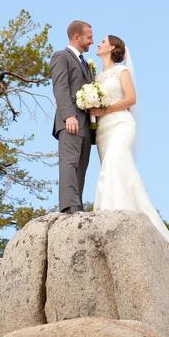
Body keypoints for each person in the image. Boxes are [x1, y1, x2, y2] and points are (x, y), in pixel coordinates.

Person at [90, 34, 169, 289]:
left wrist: (105, 110)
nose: (98, 43)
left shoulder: (121, 71)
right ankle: (113, 218)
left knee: (114, 169)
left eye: (103, 41)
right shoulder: (96, 78)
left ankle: (114, 218)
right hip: (104, 131)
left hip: (121, 126)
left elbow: (131, 99)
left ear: (114, 48)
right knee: (114, 173)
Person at [50, 20, 95, 213]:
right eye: (89, 37)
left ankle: (77, 205)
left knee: (82, 165)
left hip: (86, 123)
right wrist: (68, 115)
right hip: (70, 121)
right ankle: (69, 206)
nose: (92, 41)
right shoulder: (61, 56)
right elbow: (60, 87)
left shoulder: (87, 64)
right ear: (77, 37)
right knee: (69, 162)